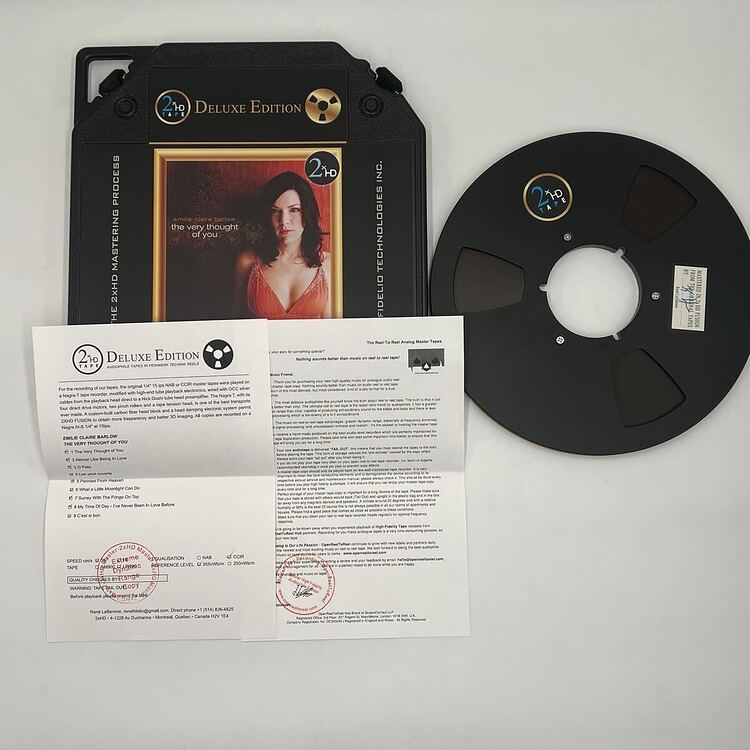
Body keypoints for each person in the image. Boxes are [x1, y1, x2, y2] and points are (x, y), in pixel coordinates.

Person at [234, 171, 331, 319]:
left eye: (294, 210)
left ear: (308, 213)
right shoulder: (247, 262)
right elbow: (236, 322)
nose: (284, 220)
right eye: (275, 211)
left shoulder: (328, 263)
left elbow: (332, 326)